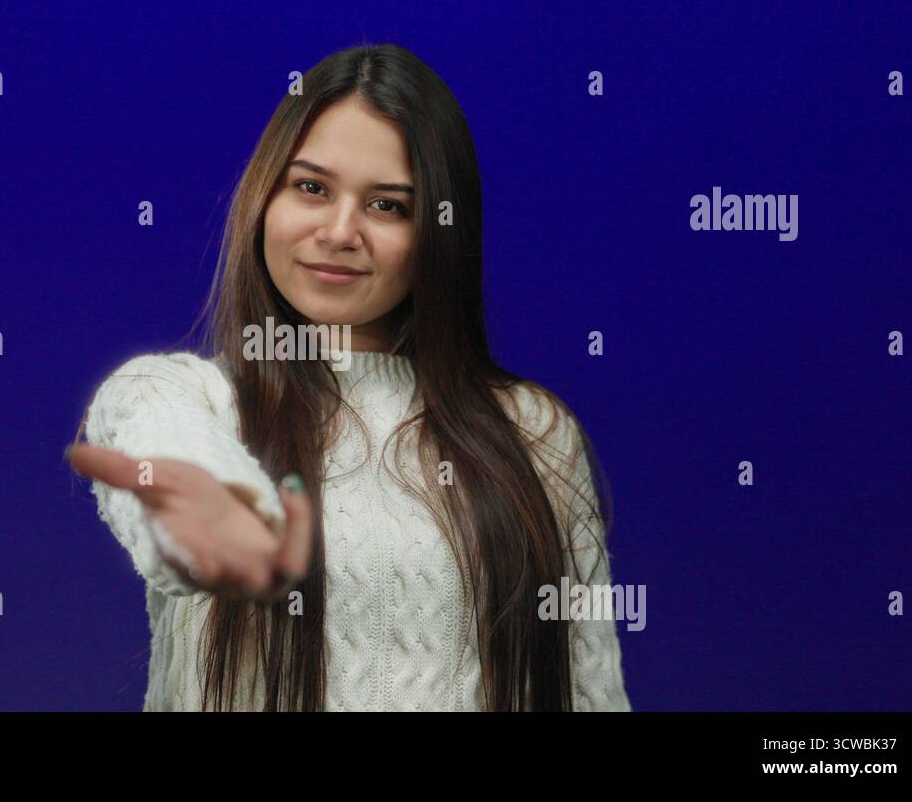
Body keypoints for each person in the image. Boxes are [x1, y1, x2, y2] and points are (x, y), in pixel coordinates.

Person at [67, 43, 631, 712]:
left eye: (388, 205)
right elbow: (153, 428)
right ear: (263, 198)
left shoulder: (533, 430)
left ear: (439, 233)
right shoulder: (193, 398)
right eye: (311, 187)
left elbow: (589, 689)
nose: (340, 231)